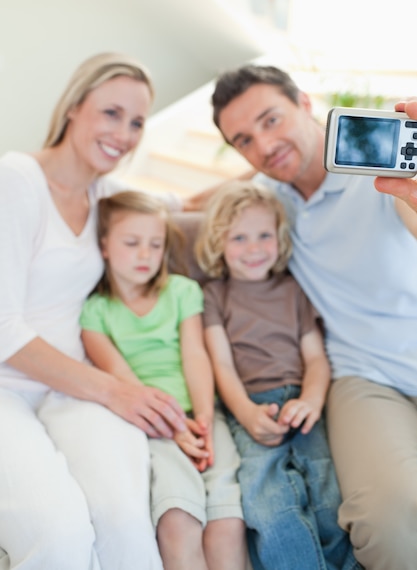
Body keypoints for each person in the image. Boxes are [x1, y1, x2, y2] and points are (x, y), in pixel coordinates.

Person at [202, 64, 417, 570]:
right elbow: (215, 201)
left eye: (271, 120)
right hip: (364, 375)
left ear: (304, 102)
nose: (264, 146)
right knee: (389, 517)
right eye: (244, 140)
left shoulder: (381, 171)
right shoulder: (267, 209)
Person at [0, 52, 188, 570]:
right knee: (60, 535)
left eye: (137, 122)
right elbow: (2, 328)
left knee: (124, 521)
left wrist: (265, 191)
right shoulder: (17, 178)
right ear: (74, 107)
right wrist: (117, 391)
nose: (124, 134)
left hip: (69, 388)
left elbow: (175, 204)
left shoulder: (105, 194)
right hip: (8, 389)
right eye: (111, 113)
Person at [195, 180, 360, 570]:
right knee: (268, 505)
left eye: (264, 235)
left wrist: (310, 402)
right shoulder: (214, 295)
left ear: (280, 238)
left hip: (303, 407)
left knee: (329, 500)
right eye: (239, 238)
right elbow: (221, 363)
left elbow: (316, 359)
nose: (254, 249)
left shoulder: (293, 290)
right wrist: (247, 414)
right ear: (218, 243)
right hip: (249, 407)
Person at [79, 190, 246, 570]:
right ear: (104, 245)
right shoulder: (96, 312)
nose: (145, 255)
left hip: (201, 413)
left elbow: (195, 355)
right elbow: (125, 382)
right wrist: (173, 426)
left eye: (155, 245)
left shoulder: (182, 291)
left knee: (227, 520)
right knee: (177, 516)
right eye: (132, 243)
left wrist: (202, 418)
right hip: (149, 423)